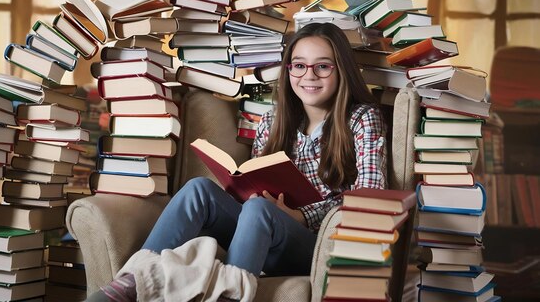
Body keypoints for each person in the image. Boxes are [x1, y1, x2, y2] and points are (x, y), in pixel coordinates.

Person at [88, 22, 387, 301]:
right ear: (288, 70)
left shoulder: (361, 118)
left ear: (341, 70)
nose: (309, 75)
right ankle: (133, 282)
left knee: (260, 209)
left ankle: (227, 294)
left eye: (322, 66)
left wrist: (302, 216)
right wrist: (247, 190)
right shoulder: (272, 121)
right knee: (199, 189)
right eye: (299, 65)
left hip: (314, 245)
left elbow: (369, 198)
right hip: (259, 231)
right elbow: (257, 186)